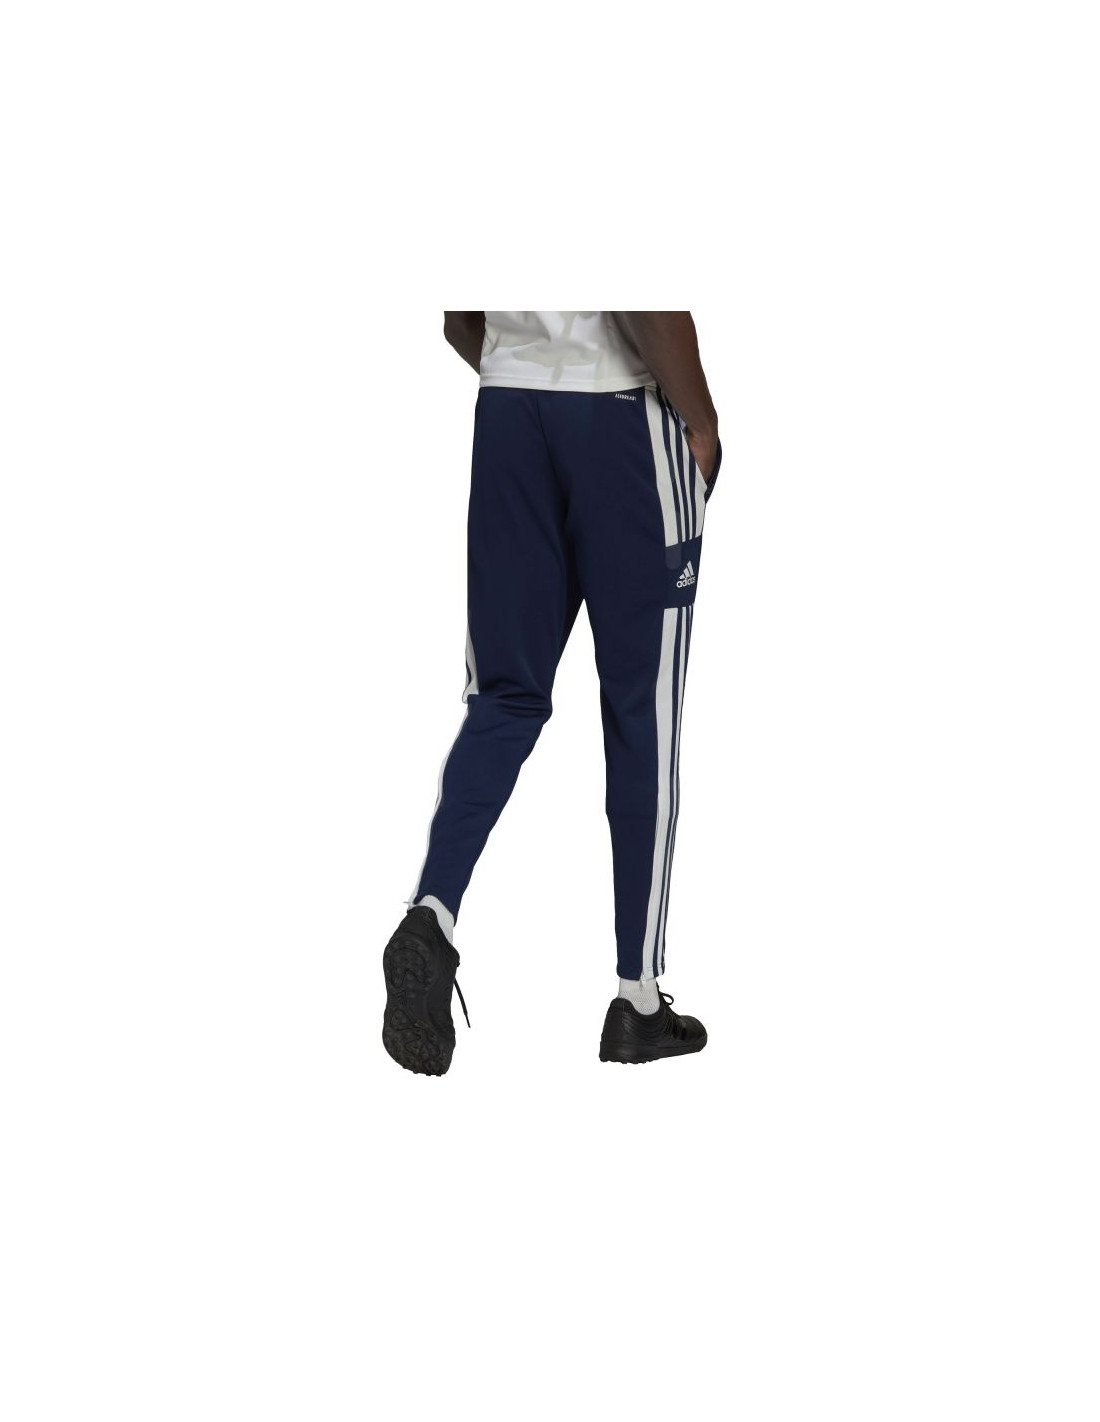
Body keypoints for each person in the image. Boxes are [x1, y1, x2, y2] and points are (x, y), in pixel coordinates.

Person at [382, 312, 722, 1074]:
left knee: (503, 696)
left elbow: (458, 320)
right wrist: (702, 424)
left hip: (508, 407)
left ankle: (432, 912)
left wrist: (527, 373)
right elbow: (646, 303)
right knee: (642, 711)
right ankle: (638, 999)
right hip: (621, 412)